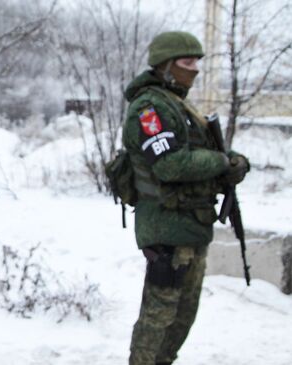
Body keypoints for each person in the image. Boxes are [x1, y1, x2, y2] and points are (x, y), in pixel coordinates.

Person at [121, 31, 250, 365]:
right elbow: (170, 163)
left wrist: (234, 161)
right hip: (166, 229)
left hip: (191, 228)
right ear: (165, 65)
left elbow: (201, 149)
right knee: (158, 319)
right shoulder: (149, 108)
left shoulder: (177, 104)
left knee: (182, 319)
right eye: (186, 61)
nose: (194, 69)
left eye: (197, 62)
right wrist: (221, 162)